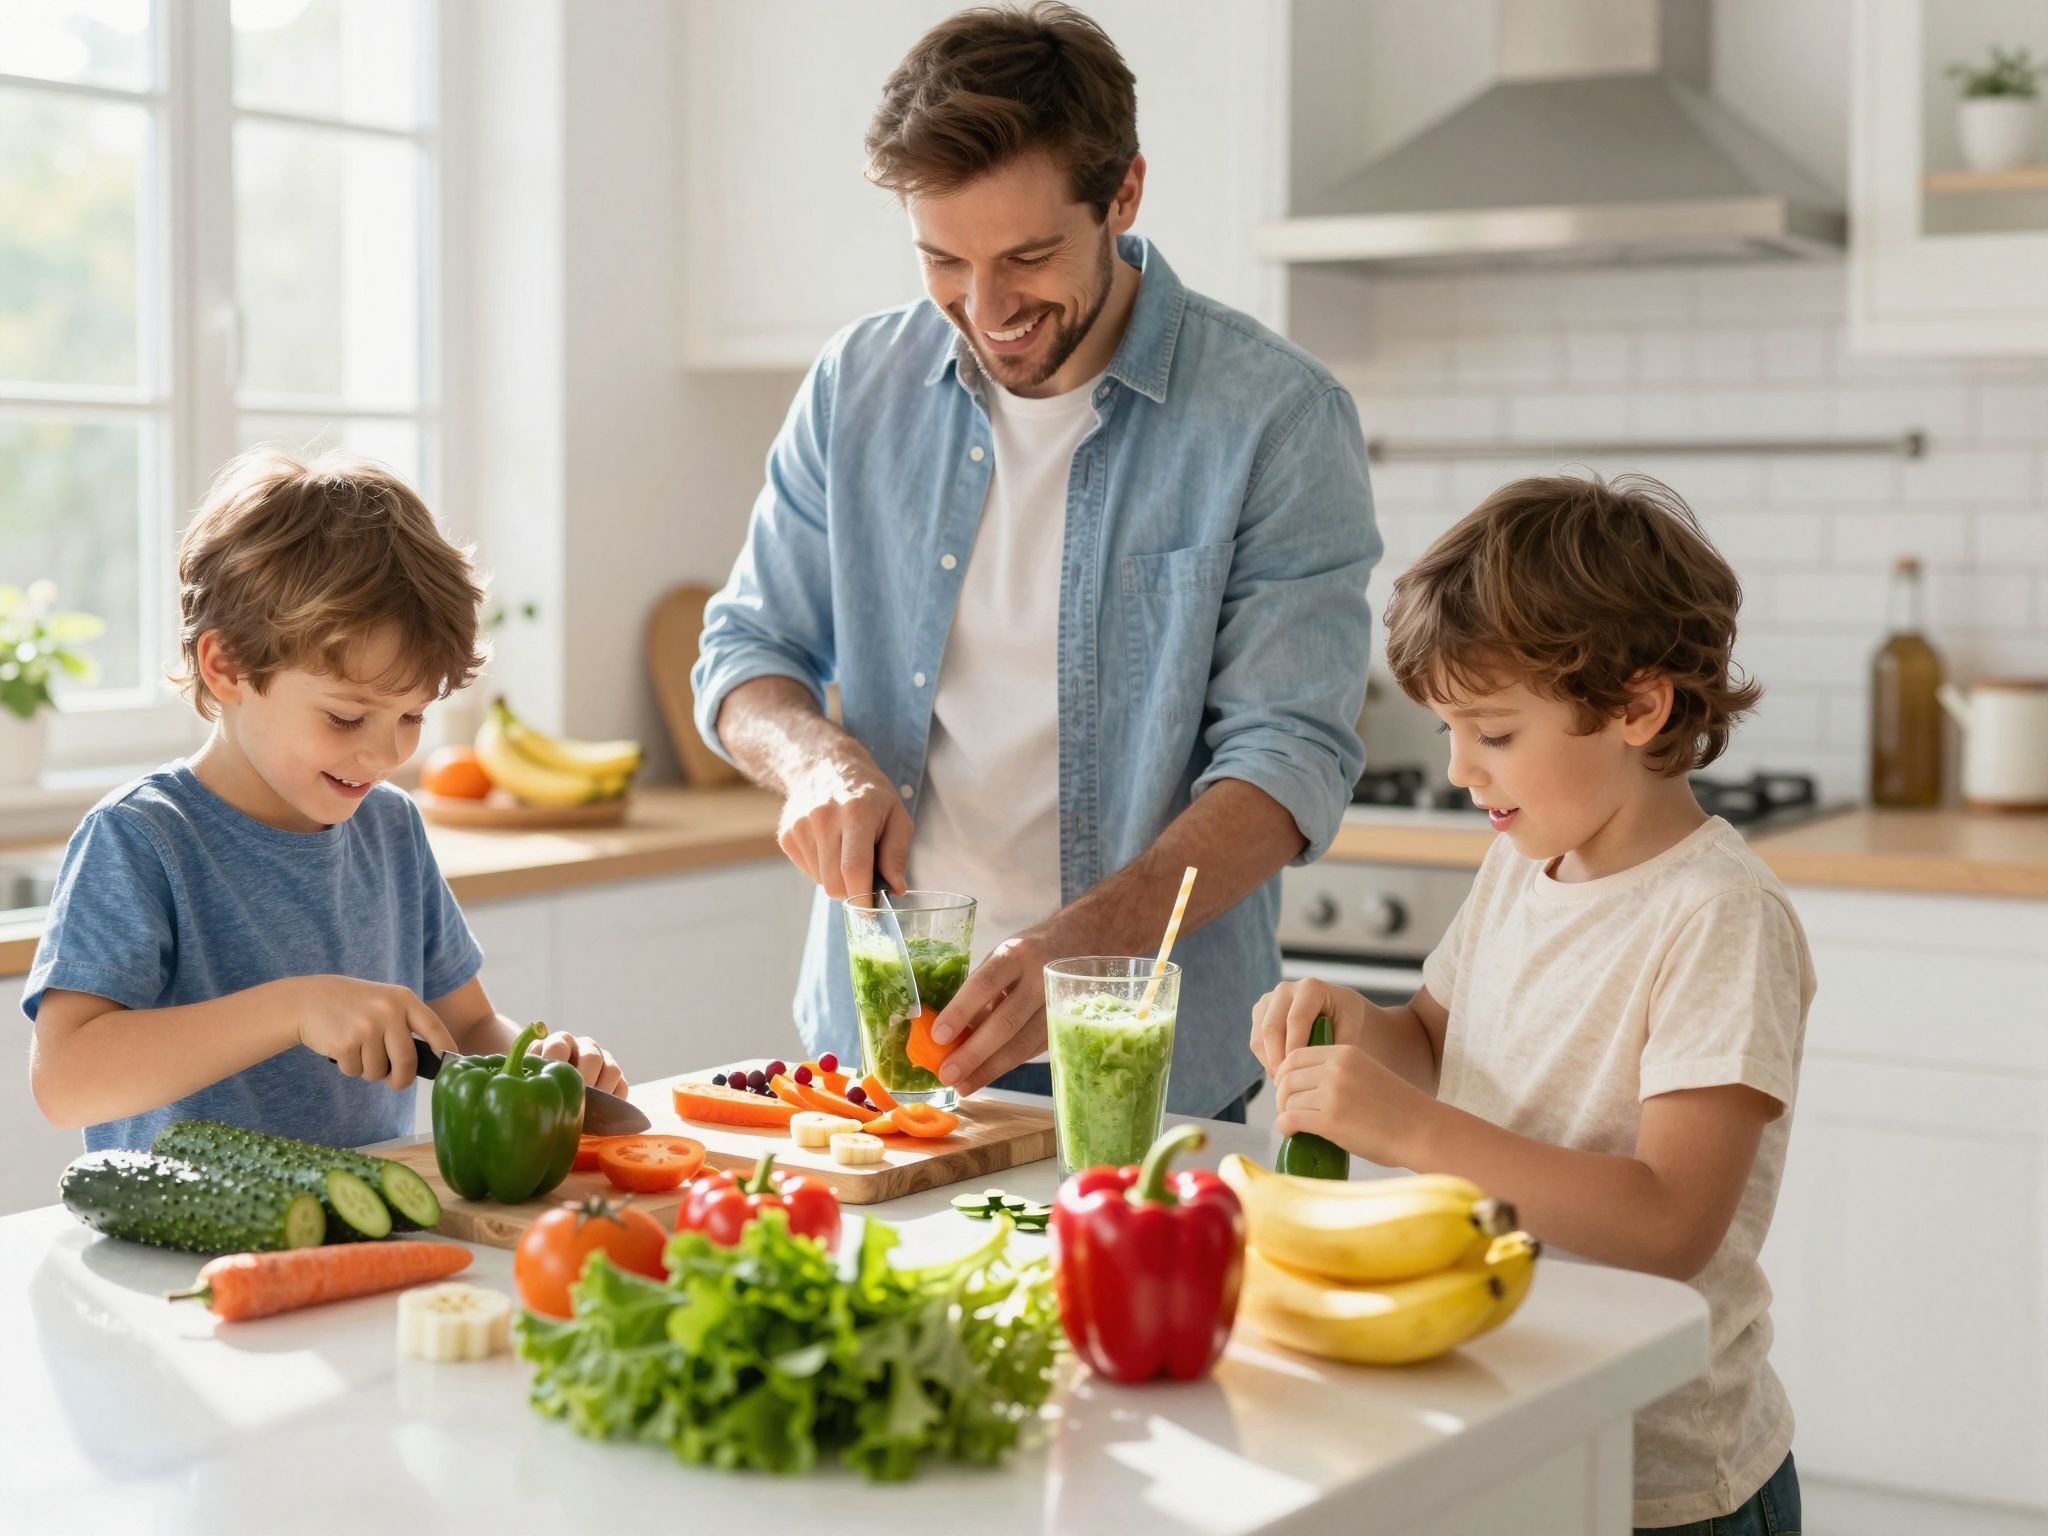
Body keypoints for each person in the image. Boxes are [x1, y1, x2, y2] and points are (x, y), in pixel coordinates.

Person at [692, 2, 1378, 1117]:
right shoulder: (856, 387)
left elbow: (1286, 759)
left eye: (1026, 256)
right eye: (942, 260)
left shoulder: (1274, 417)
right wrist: (816, 762)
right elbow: (744, 653)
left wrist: (1075, 950)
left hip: (1155, 1068)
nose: (986, 306)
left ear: (1123, 196)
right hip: (878, 1054)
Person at [1253, 471, 1812, 1533]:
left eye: (1492, 734)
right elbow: (1431, 1039)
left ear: (1637, 708)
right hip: (1510, 1409)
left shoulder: (1715, 917)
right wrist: (1348, 1023)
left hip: (1663, 1474)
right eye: (1448, 732)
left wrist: (1410, 1130)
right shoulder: (1526, 858)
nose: (1460, 770)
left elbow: (1667, 1225)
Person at [27, 450, 626, 1152]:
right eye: (346, 718)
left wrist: (539, 1064)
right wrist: (293, 1008)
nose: (385, 755)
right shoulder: (141, 840)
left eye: (412, 717)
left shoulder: (390, 827)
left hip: (366, 1238)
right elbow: (64, 1081)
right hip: (180, 1256)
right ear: (226, 667)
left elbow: (466, 1031)